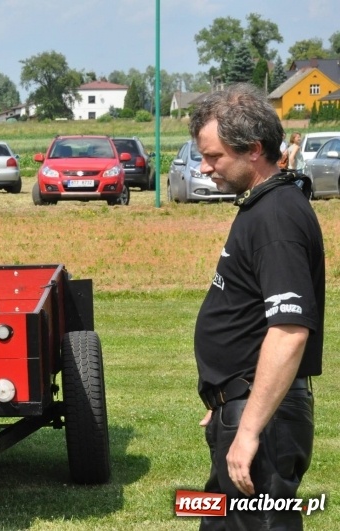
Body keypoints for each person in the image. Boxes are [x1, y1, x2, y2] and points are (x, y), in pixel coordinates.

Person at [188, 83, 324, 530]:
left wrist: (247, 428)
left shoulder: (276, 218)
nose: (205, 168)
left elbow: (289, 330)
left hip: (263, 423)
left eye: (214, 157)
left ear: (253, 150)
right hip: (245, 406)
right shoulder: (264, 206)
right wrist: (225, 392)